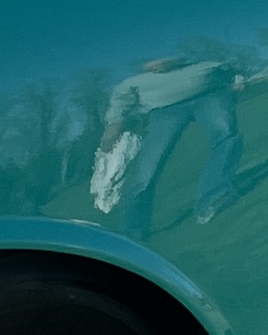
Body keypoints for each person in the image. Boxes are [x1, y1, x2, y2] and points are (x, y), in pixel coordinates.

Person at [94, 50, 239, 235]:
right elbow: (120, 103)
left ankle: (214, 197)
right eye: (153, 61)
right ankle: (135, 229)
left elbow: (228, 69)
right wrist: (112, 128)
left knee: (224, 133)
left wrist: (237, 81)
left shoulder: (203, 65)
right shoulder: (134, 82)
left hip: (209, 95)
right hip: (164, 111)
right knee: (148, 167)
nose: (159, 63)